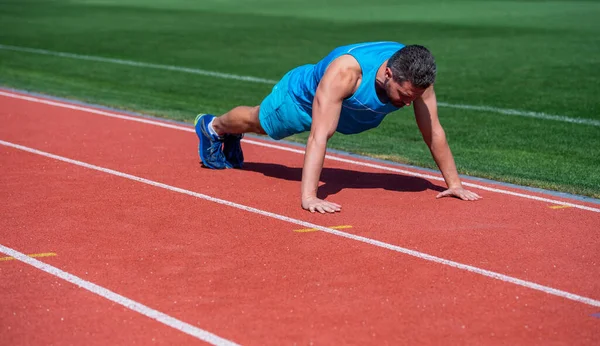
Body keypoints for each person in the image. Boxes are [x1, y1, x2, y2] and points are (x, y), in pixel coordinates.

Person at [194, 41, 482, 213]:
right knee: (260, 123)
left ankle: (227, 132)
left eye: (414, 97)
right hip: (301, 101)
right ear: (388, 74)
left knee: (261, 124)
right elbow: (319, 136)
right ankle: (215, 127)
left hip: (346, 111)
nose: (409, 104)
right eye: (405, 96)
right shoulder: (346, 74)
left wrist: (454, 184)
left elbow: (433, 131)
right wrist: (309, 197)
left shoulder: (416, 79)